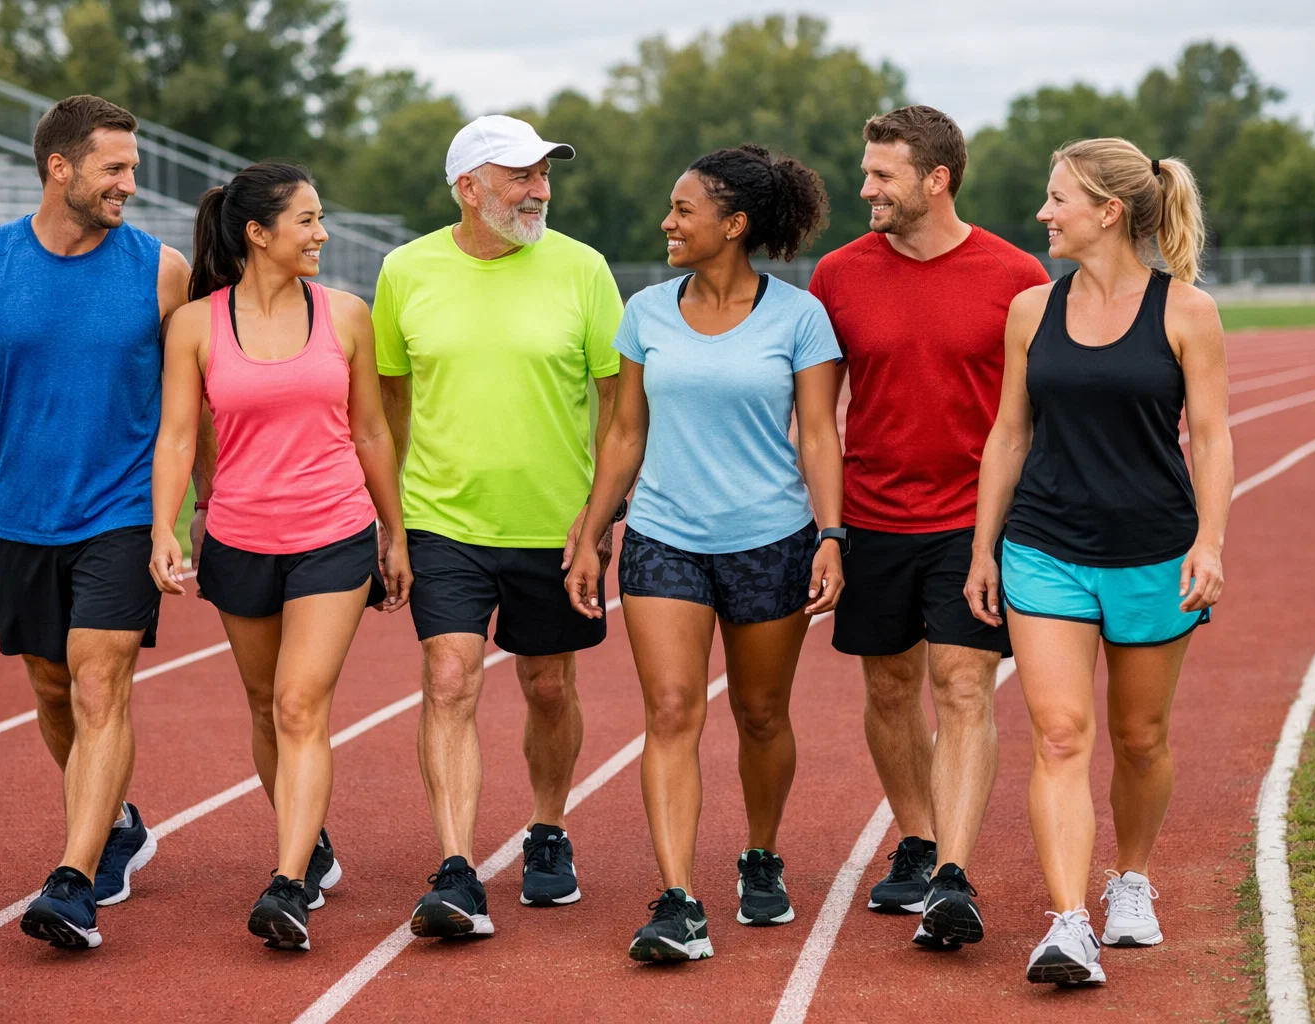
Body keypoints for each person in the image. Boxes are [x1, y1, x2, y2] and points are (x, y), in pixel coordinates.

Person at [0, 96, 189, 949]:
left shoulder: (162, 269)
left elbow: (193, 403)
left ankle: (74, 878)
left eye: (132, 168)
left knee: (100, 681)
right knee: (50, 686)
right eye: (114, 168)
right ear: (58, 168)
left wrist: (189, 511)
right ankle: (117, 821)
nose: (130, 184)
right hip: (25, 514)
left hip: (123, 512)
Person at [568, 145, 845, 962]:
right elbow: (624, 433)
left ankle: (760, 856)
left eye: (683, 210)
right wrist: (592, 532)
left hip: (771, 540)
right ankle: (679, 899)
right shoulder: (645, 311)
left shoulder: (799, 318)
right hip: (664, 538)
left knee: (760, 715)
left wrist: (832, 535)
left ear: (734, 225)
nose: (668, 222)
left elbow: (821, 437)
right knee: (672, 710)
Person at [965, 139, 1231, 986]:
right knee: (1060, 733)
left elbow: (1216, 439)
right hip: (1046, 549)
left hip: (1155, 552)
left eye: (1057, 200)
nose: (1043, 213)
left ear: (1108, 211)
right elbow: (1009, 433)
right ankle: (1069, 923)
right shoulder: (1030, 311)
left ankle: (1132, 880)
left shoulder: (1188, 312)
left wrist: (1211, 541)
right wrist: (983, 547)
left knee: (1141, 738)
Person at [148, 163, 411, 951]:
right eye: (307, 220)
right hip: (237, 537)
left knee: (300, 702)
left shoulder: (348, 315)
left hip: (333, 532)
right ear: (258, 233)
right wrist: (166, 526)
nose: (322, 233)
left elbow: (370, 431)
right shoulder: (196, 325)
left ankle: (288, 883)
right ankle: (309, 839)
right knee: (266, 707)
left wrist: (392, 534)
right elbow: (177, 436)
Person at [372, 115, 624, 939]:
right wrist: (394, 524)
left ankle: (548, 828)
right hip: (442, 520)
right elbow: (391, 405)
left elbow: (619, 404)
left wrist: (596, 519)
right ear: (467, 187)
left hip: (556, 525)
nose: (540, 190)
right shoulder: (405, 272)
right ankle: (455, 866)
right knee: (450, 678)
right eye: (520, 176)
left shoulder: (583, 269)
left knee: (548, 685)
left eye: (545, 174)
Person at [807, 105, 1050, 950]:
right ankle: (915, 840)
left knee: (960, 683)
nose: (865, 187)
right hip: (873, 515)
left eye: (881, 174)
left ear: (936, 179)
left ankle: (951, 873)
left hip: (971, 520)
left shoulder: (1017, 275)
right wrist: (830, 531)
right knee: (888, 686)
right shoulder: (837, 275)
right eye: (866, 171)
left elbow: (1035, 414)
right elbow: (820, 412)